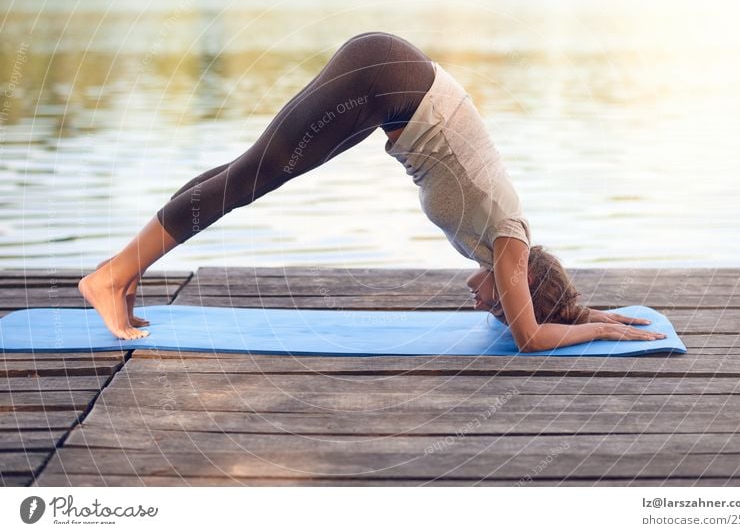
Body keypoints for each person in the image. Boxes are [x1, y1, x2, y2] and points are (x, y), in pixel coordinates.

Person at [79, 31, 667, 350]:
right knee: (250, 177)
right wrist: (596, 329)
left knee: (249, 174)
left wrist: (584, 307)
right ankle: (108, 278)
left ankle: (124, 273)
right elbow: (532, 337)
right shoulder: (510, 246)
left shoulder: (505, 245)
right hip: (388, 79)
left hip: (392, 86)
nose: (485, 306)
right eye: (499, 303)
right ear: (523, 286)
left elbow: (539, 310)